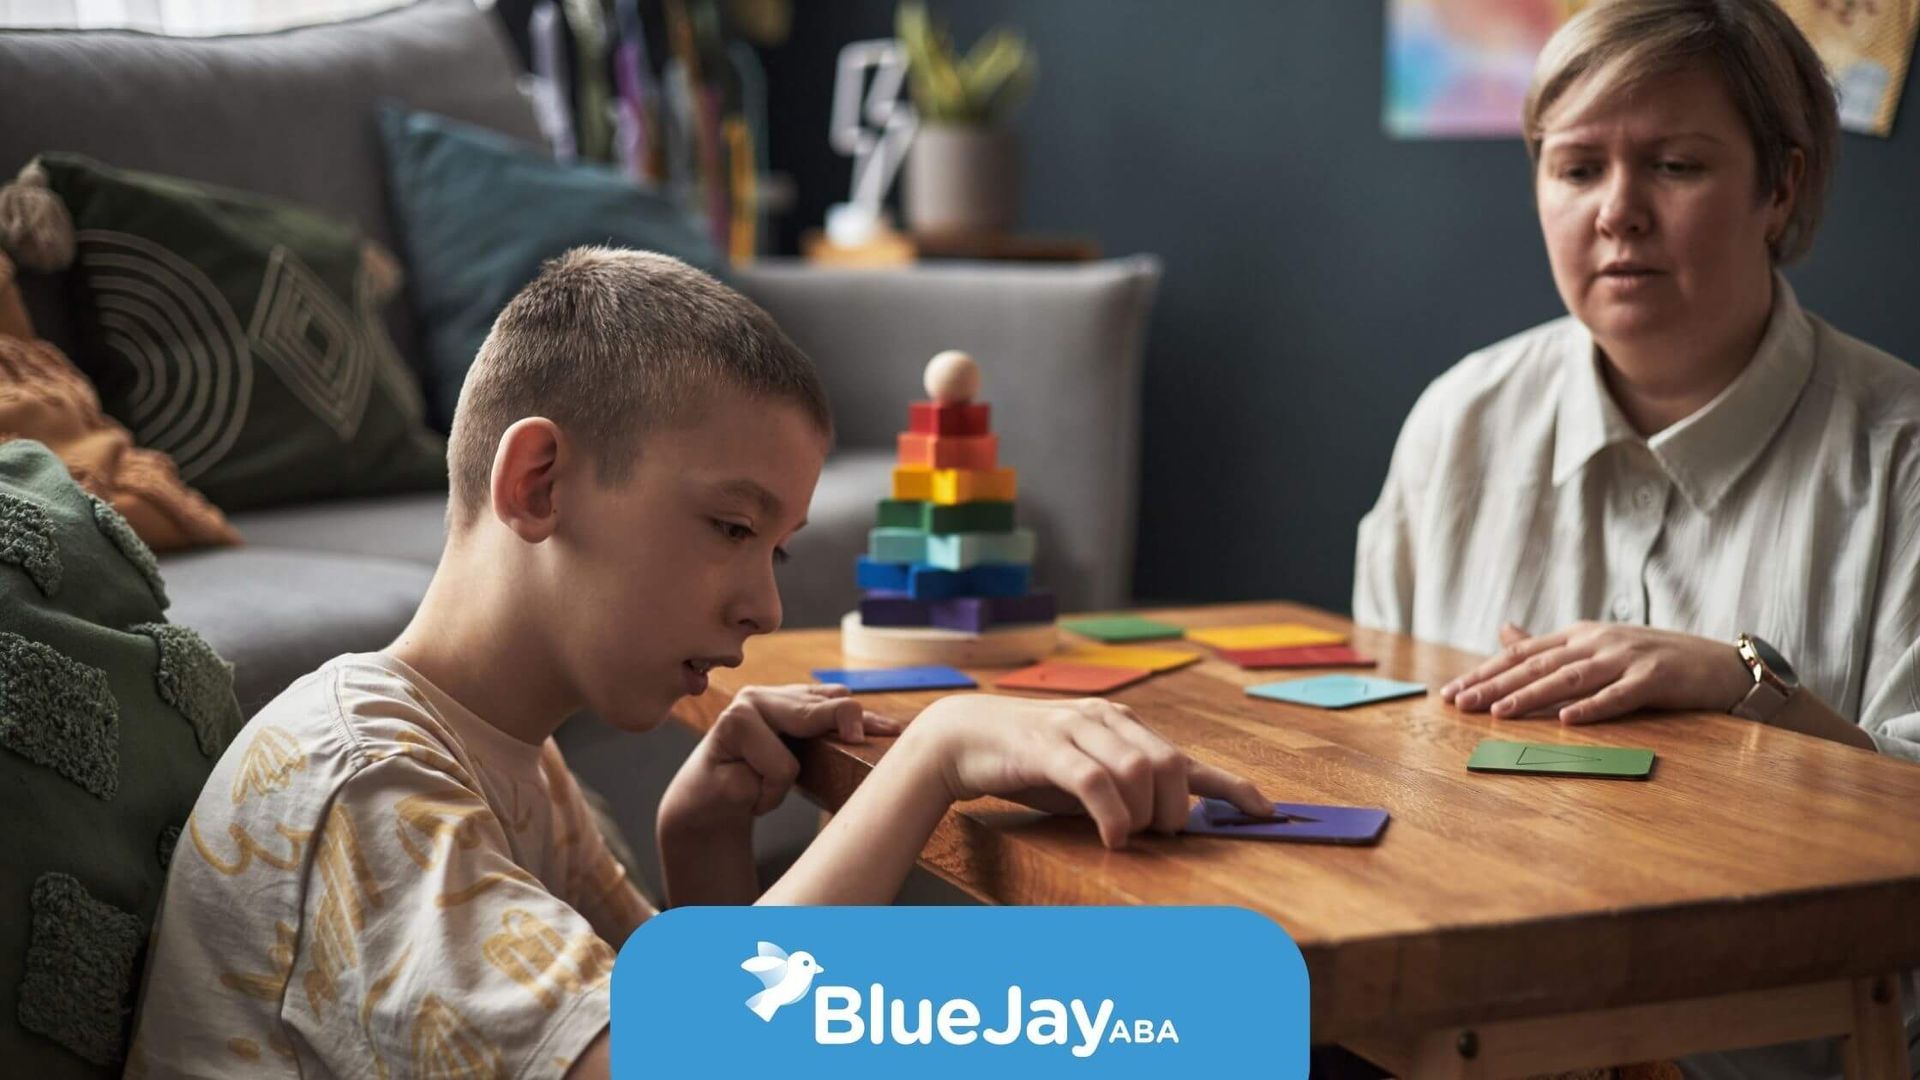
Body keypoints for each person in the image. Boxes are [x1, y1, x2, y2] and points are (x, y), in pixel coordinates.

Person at [128, 247, 1270, 1079]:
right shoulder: (362, 785)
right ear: (537, 485)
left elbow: (713, 1012)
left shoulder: (505, 756)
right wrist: (935, 756)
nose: (764, 604)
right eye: (732, 528)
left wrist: (703, 839)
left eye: (778, 550)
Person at [1356, 0, 1920, 763]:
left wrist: (1744, 683)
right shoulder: (1457, 422)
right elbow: (1379, 738)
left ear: (1780, 187)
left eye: (1675, 166)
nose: (1618, 214)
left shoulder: (1901, 456)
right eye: (1580, 170)